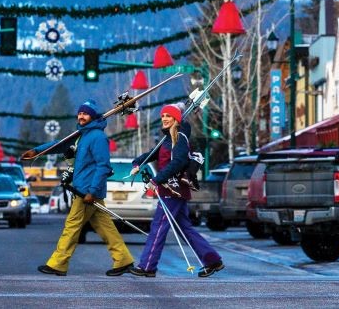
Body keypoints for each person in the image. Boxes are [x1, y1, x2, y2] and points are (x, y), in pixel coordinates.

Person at [37, 99, 135, 277]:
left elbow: (103, 166)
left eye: (85, 113)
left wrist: (92, 191)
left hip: (86, 192)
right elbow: (62, 144)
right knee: (106, 227)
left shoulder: (97, 137)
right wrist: (37, 151)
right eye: (80, 112)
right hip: (84, 190)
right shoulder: (82, 135)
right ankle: (123, 259)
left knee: (72, 226)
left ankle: (58, 263)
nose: (81, 116)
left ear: (93, 116)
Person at [128, 104, 224, 278]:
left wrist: (156, 180)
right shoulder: (166, 140)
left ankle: (147, 266)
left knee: (158, 227)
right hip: (172, 190)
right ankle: (212, 260)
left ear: (176, 120)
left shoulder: (179, 139)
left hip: (173, 190)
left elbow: (177, 163)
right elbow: (152, 154)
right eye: (163, 115)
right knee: (185, 228)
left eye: (168, 116)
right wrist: (137, 163)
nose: (164, 118)